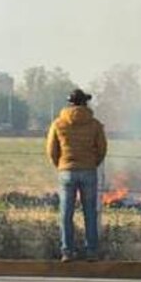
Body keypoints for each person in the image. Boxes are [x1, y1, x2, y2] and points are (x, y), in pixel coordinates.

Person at [46, 89, 107, 262]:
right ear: (85, 103)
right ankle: (92, 252)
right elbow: (102, 149)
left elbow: (51, 149)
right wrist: (92, 163)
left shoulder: (58, 123)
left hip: (66, 171)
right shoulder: (95, 124)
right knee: (90, 213)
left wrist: (60, 165)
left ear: (69, 103)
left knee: (66, 213)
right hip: (88, 170)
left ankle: (67, 251)